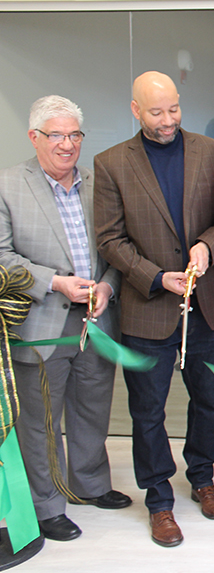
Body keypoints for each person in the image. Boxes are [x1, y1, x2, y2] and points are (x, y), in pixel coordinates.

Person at [94, 71, 214, 547]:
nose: (169, 119)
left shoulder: (213, 153)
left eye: (174, 108)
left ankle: (202, 478)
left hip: (208, 304)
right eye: (157, 112)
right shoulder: (111, 163)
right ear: (135, 110)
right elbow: (109, 239)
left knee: (209, 400)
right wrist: (156, 277)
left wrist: (207, 247)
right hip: (148, 307)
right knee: (148, 411)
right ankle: (158, 500)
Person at [1, 96, 129, 542]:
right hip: (40, 322)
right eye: (56, 135)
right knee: (40, 421)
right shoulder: (8, 185)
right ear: (35, 137)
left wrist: (108, 286)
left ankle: (90, 484)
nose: (67, 144)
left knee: (92, 408)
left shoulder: (100, 183)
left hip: (97, 319)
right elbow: (1, 257)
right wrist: (56, 283)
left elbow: (118, 246)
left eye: (74, 135)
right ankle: (47, 504)